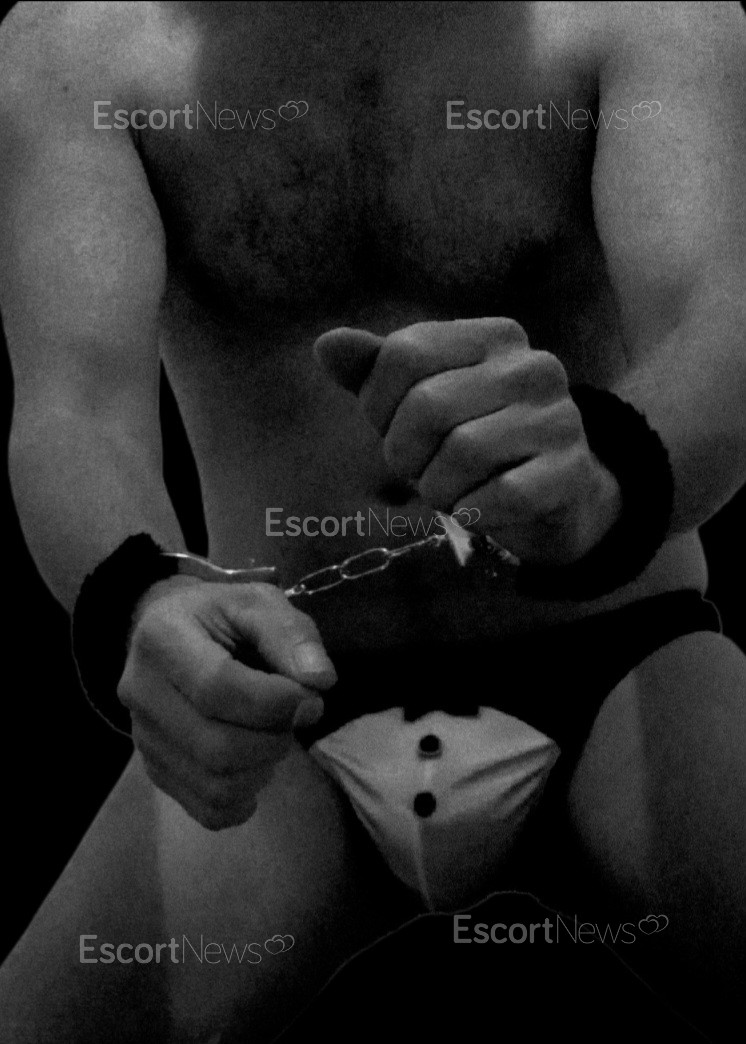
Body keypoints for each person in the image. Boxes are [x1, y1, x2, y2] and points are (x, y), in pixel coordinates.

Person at [0, 1, 744, 1041]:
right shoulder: (74, 46)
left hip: (619, 657)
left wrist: (604, 488)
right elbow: (73, 409)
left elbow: (721, 329)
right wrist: (142, 598)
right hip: (282, 704)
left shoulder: (650, 13)